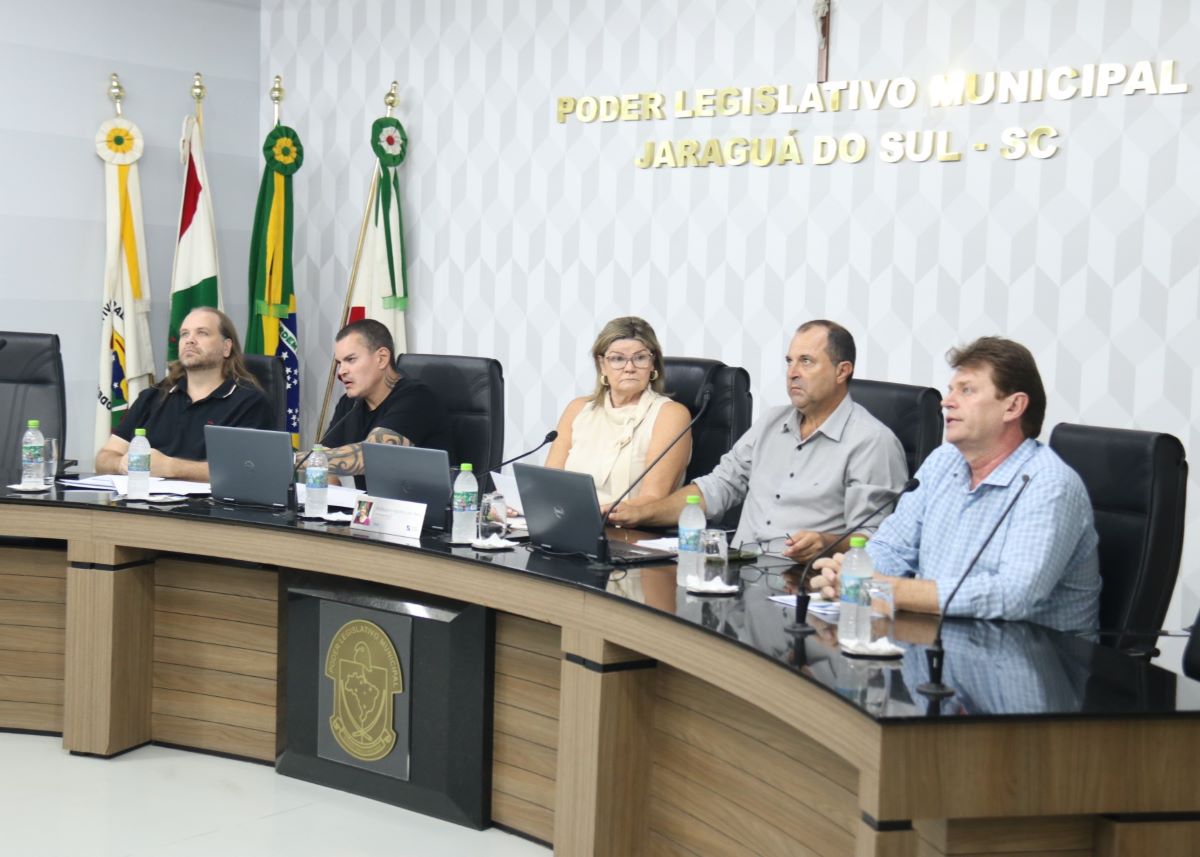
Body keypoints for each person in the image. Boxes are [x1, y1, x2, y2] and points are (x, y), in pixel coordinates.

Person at [810, 336, 1101, 633]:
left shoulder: (1049, 485)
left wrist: (887, 589)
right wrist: (850, 575)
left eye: (967, 390)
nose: (947, 401)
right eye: (951, 390)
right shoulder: (944, 461)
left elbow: (1014, 595)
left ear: (1013, 407)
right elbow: (893, 548)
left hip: (1035, 653)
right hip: (941, 639)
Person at [607, 320, 908, 562]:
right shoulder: (771, 423)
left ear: (842, 371)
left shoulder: (872, 442)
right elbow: (718, 487)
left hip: (801, 581)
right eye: (789, 362)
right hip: (736, 571)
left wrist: (827, 543)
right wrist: (640, 513)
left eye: (806, 362)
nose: (792, 373)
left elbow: (875, 539)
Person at [95, 307, 275, 481]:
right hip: (144, 500)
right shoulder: (153, 396)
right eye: (184, 334)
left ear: (226, 347)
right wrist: (121, 464)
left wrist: (171, 467)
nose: (190, 340)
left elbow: (248, 470)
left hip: (208, 502)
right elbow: (104, 458)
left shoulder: (249, 402)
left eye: (202, 333)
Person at [544, 316, 692, 506]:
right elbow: (549, 485)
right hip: (571, 518)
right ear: (602, 365)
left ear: (653, 363)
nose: (629, 368)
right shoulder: (578, 409)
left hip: (630, 523)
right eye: (618, 359)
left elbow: (653, 500)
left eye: (640, 358)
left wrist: (595, 514)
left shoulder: (670, 415)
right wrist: (521, 506)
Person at [311, 319, 455, 488]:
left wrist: (292, 459)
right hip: (372, 504)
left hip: (422, 504)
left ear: (382, 358)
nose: (341, 371)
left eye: (350, 359)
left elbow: (372, 457)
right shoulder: (349, 403)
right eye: (339, 363)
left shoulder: (418, 399)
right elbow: (326, 462)